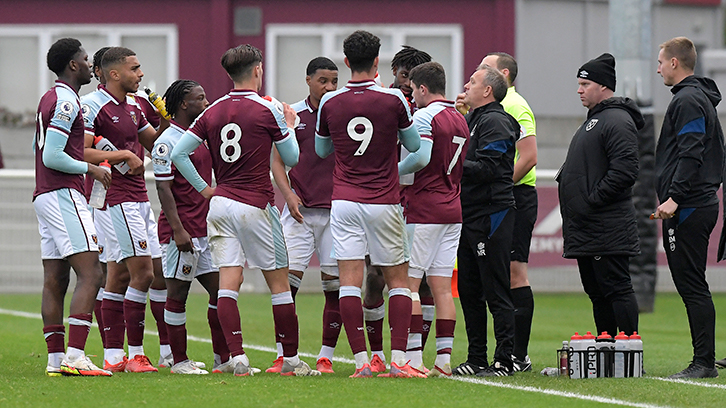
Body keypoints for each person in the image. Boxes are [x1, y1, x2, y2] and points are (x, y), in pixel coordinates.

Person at [171, 44, 319, 377]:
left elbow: (178, 155)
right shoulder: (268, 109)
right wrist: (291, 124)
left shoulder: (213, 110)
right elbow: (292, 158)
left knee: (228, 282)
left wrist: (205, 189)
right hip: (255, 204)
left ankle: (236, 358)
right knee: (279, 282)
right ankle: (292, 361)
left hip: (220, 205)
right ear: (257, 71)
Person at [315, 30, 422, 378]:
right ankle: (400, 361)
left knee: (349, 280)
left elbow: (321, 150)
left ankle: (361, 362)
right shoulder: (395, 101)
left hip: (344, 200)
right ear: (378, 61)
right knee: (398, 280)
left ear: (346, 62)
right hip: (383, 200)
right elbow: (414, 144)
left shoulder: (330, 102)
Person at [81, 46, 168, 373]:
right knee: (143, 273)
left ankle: (114, 357)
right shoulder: (92, 105)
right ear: (114, 73)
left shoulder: (133, 105)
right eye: (135, 68)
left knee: (118, 275)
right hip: (115, 199)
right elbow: (81, 151)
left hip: (139, 197)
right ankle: (136, 354)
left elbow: (153, 143)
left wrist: (168, 121)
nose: (141, 74)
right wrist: (121, 156)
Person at [33, 37, 112, 376]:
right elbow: (53, 156)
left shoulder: (51, 96)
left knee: (56, 278)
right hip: (62, 192)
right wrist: (90, 167)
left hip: (45, 195)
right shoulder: (66, 101)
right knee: (93, 271)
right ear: (73, 65)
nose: (90, 62)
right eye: (84, 57)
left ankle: (55, 360)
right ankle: (76, 356)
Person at [558, 52, 641, 348]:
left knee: (616, 287)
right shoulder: (595, 121)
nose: (579, 90)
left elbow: (626, 170)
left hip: (605, 223)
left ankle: (629, 347)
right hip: (588, 225)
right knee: (597, 290)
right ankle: (606, 346)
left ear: (603, 86)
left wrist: (592, 201)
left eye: (585, 84)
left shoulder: (616, 120)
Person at [654, 37, 723, 379]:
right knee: (690, 283)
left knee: (692, 284)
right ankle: (705, 358)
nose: (658, 68)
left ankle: (703, 363)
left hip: (691, 205)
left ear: (675, 64)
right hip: (693, 202)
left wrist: (674, 197)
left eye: (661, 62)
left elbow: (691, 152)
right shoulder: (694, 97)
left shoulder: (689, 99)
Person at [267, 57, 341, 374]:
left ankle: (325, 357)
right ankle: (285, 356)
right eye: (323, 80)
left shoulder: (342, 113)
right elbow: (277, 161)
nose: (329, 87)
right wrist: (289, 195)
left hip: (338, 214)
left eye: (334, 81)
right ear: (308, 80)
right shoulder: (291, 115)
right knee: (287, 286)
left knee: (335, 288)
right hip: (298, 213)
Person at [152, 79, 229, 375]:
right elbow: (164, 190)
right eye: (200, 98)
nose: (206, 102)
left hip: (205, 229)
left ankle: (223, 359)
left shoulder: (199, 137)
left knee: (221, 293)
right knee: (177, 295)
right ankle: (179, 361)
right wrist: (178, 230)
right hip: (181, 233)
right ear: (184, 104)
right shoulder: (167, 142)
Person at [364, 45, 432, 372]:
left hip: (417, 201)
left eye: (414, 78)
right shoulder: (381, 103)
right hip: (379, 198)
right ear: (394, 73)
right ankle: (377, 353)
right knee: (375, 275)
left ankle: (414, 355)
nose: (408, 83)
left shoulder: (429, 108)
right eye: (405, 75)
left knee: (422, 277)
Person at [399, 61, 468, 377]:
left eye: (413, 90)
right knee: (441, 287)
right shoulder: (459, 117)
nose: (412, 97)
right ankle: (443, 360)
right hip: (452, 209)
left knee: (410, 285)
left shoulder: (426, 115)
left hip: (424, 208)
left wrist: (391, 173)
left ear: (423, 88)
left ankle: (412, 358)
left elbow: (422, 157)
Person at [453, 65, 518, 377]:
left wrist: (451, 163)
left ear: (488, 90)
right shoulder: (475, 119)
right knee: (469, 290)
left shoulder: (495, 121)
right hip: (469, 214)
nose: (466, 84)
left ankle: (505, 360)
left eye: (473, 81)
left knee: (495, 289)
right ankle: (476, 358)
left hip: (491, 214)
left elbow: (490, 168)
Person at [478, 52, 537, 372]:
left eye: (484, 68)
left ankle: (518, 354)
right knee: (495, 275)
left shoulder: (515, 105)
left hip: (514, 197)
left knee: (515, 273)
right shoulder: (489, 110)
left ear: (502, 74)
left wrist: (498, 184)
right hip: (498, 199)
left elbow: (528, 157)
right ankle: (502, 353)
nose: (478, 72)